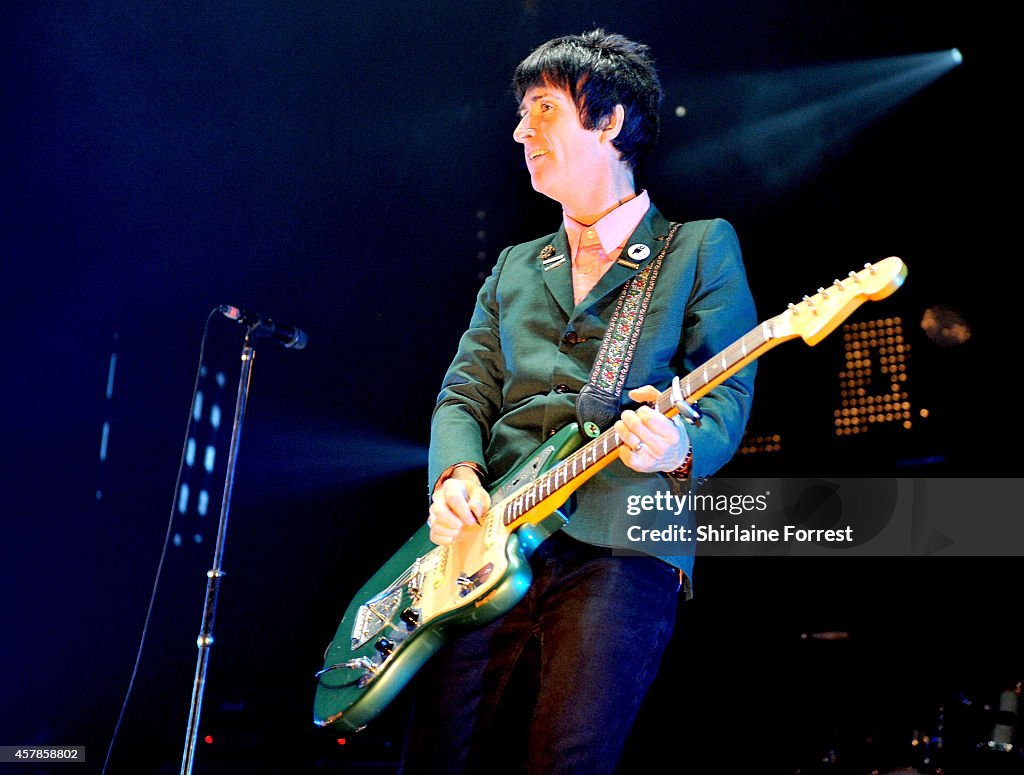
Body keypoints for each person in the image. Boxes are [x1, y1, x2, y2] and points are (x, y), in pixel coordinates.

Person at [399, 29, 757, 774]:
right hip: (489, 544)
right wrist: (456, 476)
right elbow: (464, 390)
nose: (520, 131)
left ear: (610, 121)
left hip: (623, 536)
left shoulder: (696, 248)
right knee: (438, 757)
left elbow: (725, 398)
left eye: (543, 110)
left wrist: (679, 445)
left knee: (567, 758)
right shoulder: (513, 266)